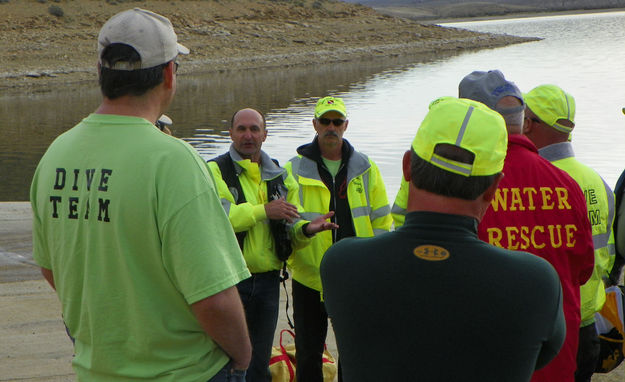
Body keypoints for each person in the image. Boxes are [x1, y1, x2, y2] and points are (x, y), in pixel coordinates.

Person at [30, 8, 252, 381]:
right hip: (184, 372)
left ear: (101, 73)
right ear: (169, 74)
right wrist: (244, 356)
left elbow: (53, 268)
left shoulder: (56, 154)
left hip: (95, 370)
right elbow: (213, 296)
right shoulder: (174, 160)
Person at [320, 96, 566, 382]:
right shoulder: (536, 282)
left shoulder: (342, 263)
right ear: (493, 188)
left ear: (407, 166)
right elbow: (540, 355)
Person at [459, 70, 594, 381]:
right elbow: (584, 269)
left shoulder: (469, 187)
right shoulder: (566, 184)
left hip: (495, 360)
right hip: (558, 356)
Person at [207, 108, 337, 382]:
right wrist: (264, 211)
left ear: (265, 135)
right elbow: (220, 219)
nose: (248, 135)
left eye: (254, 129)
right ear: (230, 133)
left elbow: (292, 225)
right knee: (224, 361)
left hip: (268, 283)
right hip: (229, 281)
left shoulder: (279, 175)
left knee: (258, 360)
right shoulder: (214, 170)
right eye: (241, 129)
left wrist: (308, 229)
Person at [285, 96, 392, 381]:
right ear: (315, 125)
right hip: (309, 275)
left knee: (353, 351)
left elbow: (382, 221)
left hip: (356, 276)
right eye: (325, 121)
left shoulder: (366, 168)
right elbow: (288, 224)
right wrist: (306, 229)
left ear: (345, 125)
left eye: (336, 122)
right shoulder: (293, 169)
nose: (331, 127)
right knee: (308, 353)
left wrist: (378, 265)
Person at [523, 84, 616, 382]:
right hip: (587, 321)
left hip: (543, 322)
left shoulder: (531, 180)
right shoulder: (596, 180)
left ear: (529, 123)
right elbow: (607, 251)